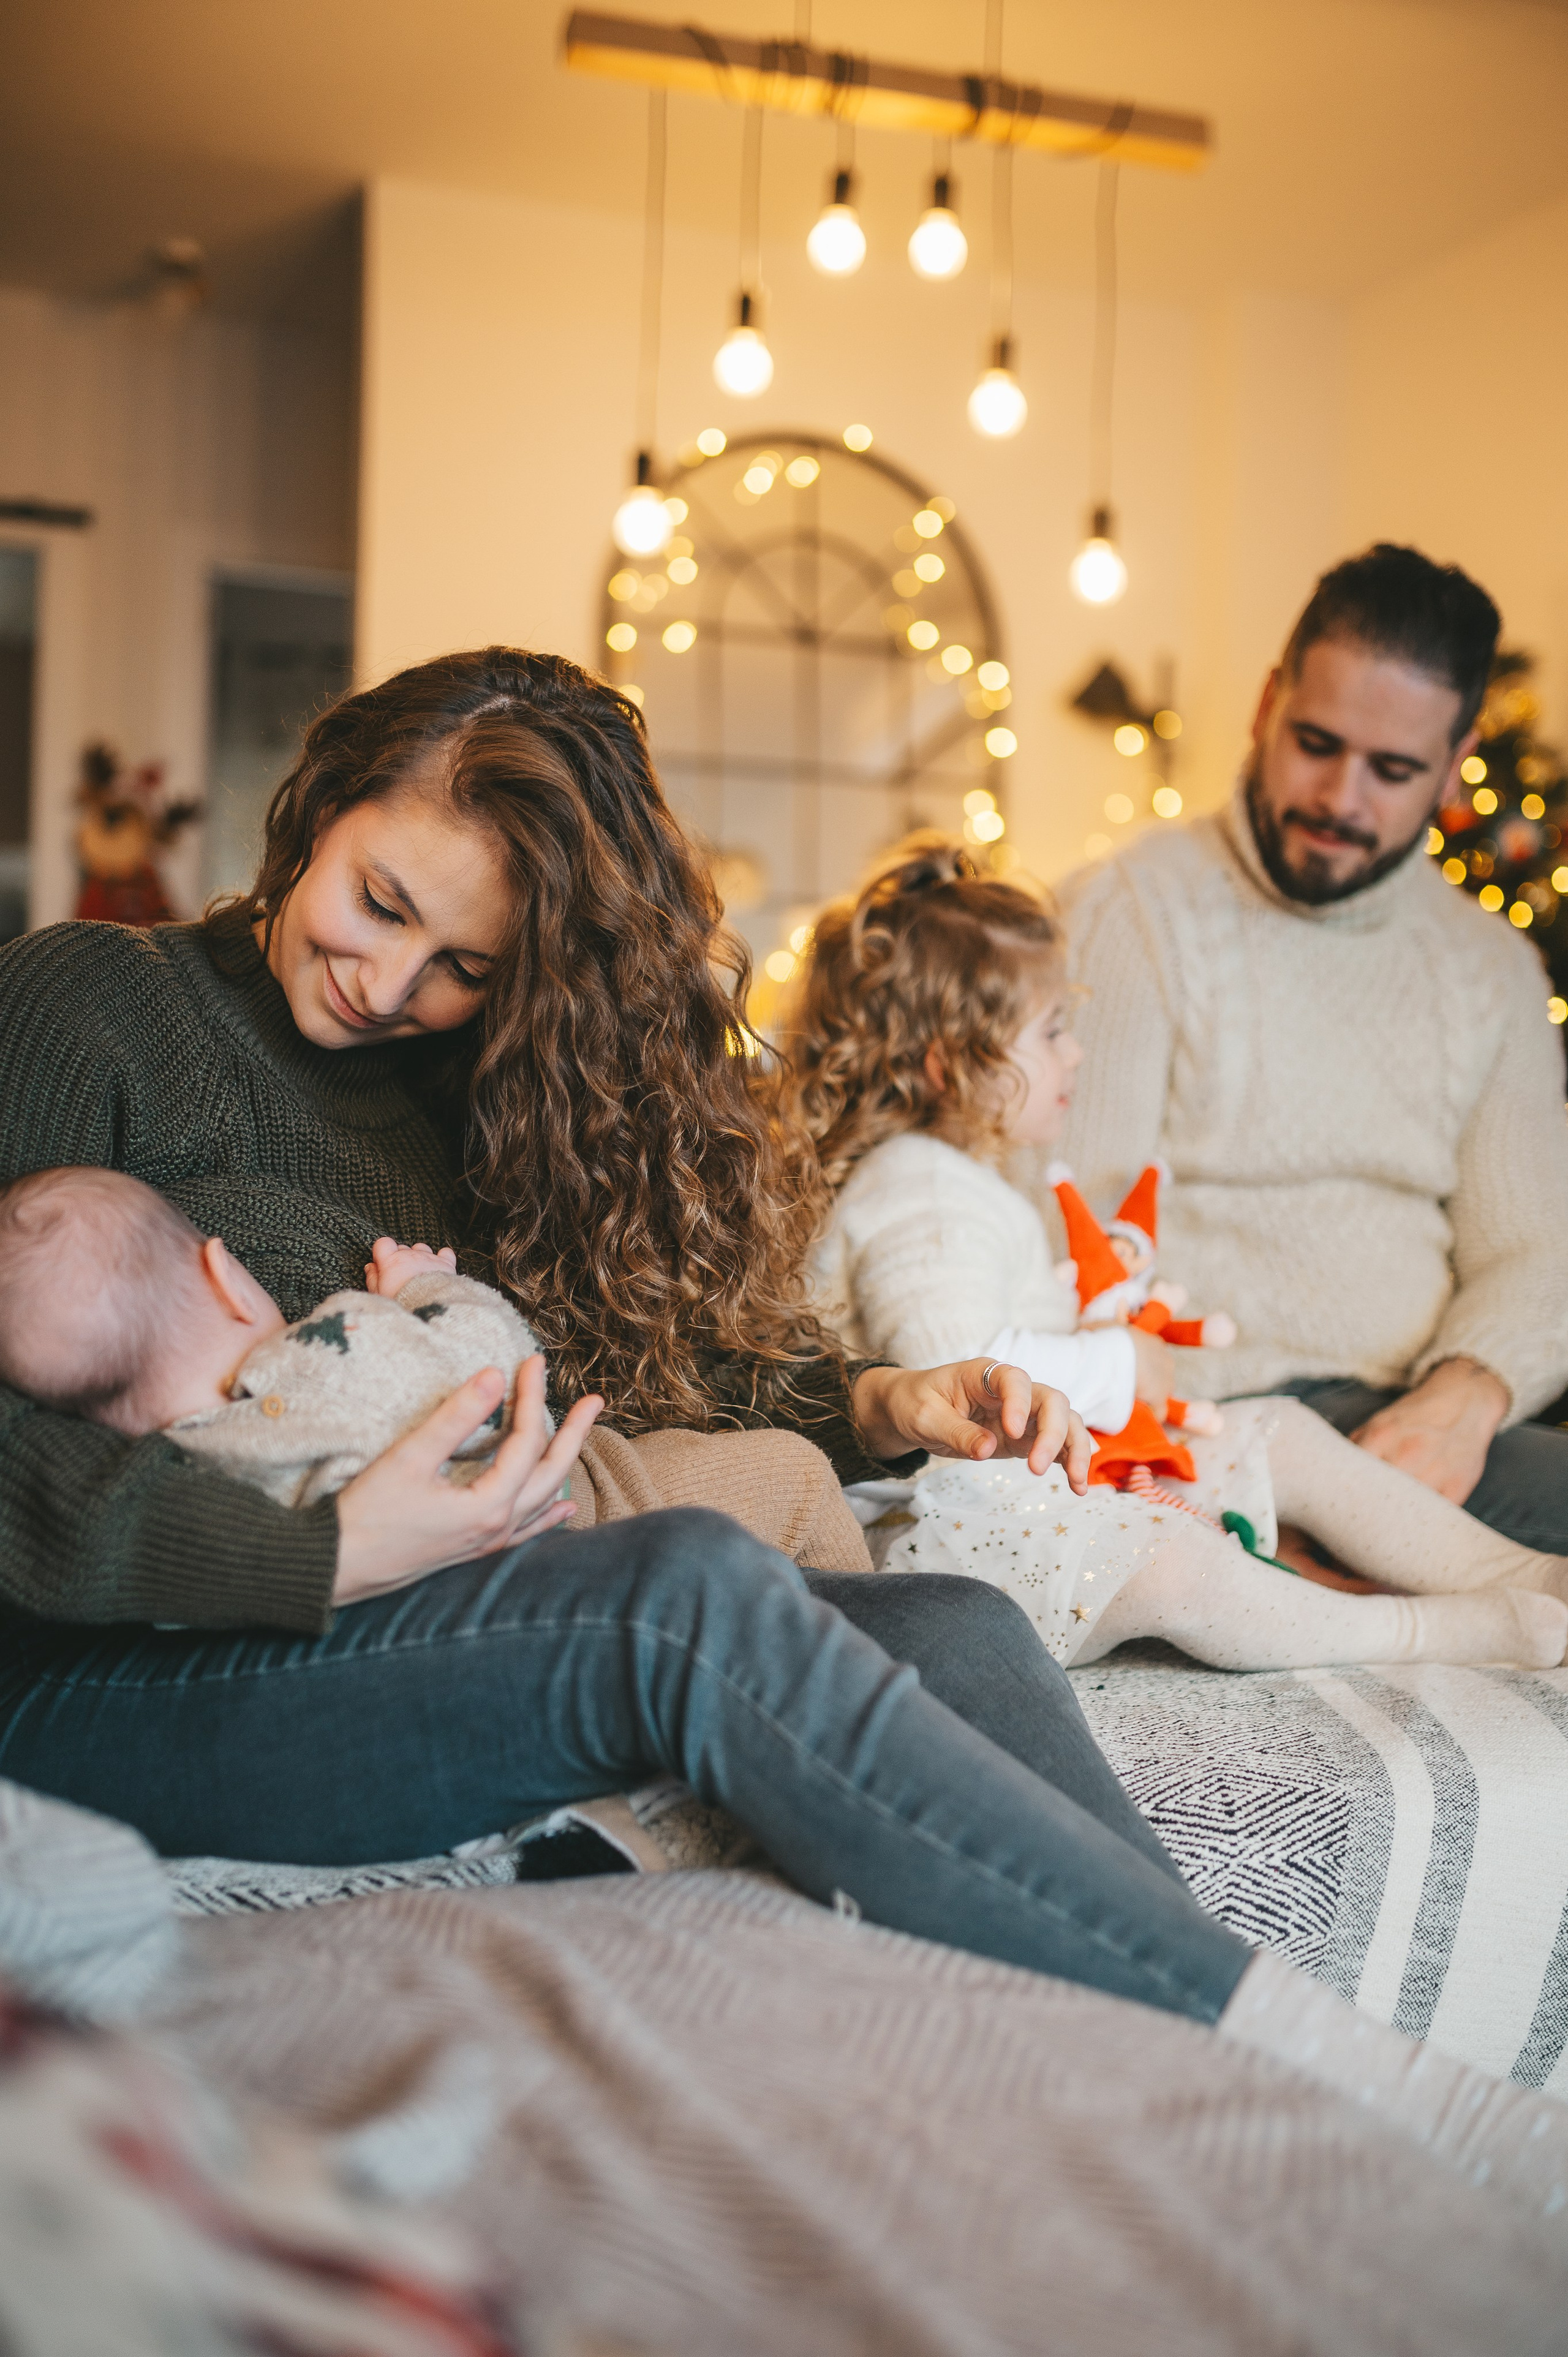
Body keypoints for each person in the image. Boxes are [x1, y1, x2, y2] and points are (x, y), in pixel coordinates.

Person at [2, 647, 1566, 2220]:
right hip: (105, 1678)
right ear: (322, 801)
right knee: (679, 1591)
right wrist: (321, 1550)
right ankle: (1365, 2094)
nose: (393, 984)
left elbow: (645, 1376)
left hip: (417, 1610)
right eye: (381, 902)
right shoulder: (95, 1006)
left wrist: (885, 1403)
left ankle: (1241, 2091)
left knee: (951, 1623)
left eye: (466, 962)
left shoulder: (456, 1086)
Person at [788, 839, 1568, 1673]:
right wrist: (1118, 1363)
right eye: (1052, 1031)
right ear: (950, 1067)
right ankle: (1428, 1633)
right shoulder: (921, 1190)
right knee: (1173, 1566)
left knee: (1280, 1432)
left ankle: (1523, 1575)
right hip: (946, 1537)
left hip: (1028, 1489)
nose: (1075, 1053)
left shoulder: (952, 1179)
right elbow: (954, 1375)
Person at [1042, 543, 1568, 1553]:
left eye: (1393, 770)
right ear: (1266, 705)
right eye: (1316, 743)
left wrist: (1466, 1397)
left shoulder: (1493, 970)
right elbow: (1073, 1226)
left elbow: (1537, 1251)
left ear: (1455, 762)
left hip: (1408, 1417)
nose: (1340, 798)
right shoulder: (1130, 911)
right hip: (1191, 1420)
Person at [0, 1165, 872, 1572]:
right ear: (225, 1276)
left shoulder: (196, 1476)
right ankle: (850, 1631)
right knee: (792, 1474)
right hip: (586, 1507)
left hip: (495, 1589)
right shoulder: (334, 1343)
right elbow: (495, 1356)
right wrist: (424, 1289)